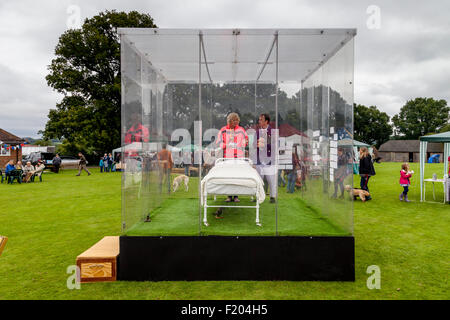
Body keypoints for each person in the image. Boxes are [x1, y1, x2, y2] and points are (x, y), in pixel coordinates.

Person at [216, 112, 248, 203]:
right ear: (229, 121)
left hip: (238, 157)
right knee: (228, 176)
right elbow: (218, 143)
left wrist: (244, 143)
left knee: (237, 176)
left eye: (237, 120)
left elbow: (246, 141)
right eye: (233, 120)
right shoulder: (223, 130)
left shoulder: (241, 130)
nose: (235, 122)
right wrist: (226, 143)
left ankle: (236, 196)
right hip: (227, 157)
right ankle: (229, 196)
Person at [254, 113, 277, 203]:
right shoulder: (257, 132)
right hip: (259, 159)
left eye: (261, 120)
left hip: (269, 159)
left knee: (271, 179)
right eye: (259, 120)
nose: (259, 121)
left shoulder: (273, 132)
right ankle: (258, 196)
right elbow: (254, 145)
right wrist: (257, 144)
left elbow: (275, 145)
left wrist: (266, 143)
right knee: (259, 179)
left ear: (266, 121)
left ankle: (272, 197)